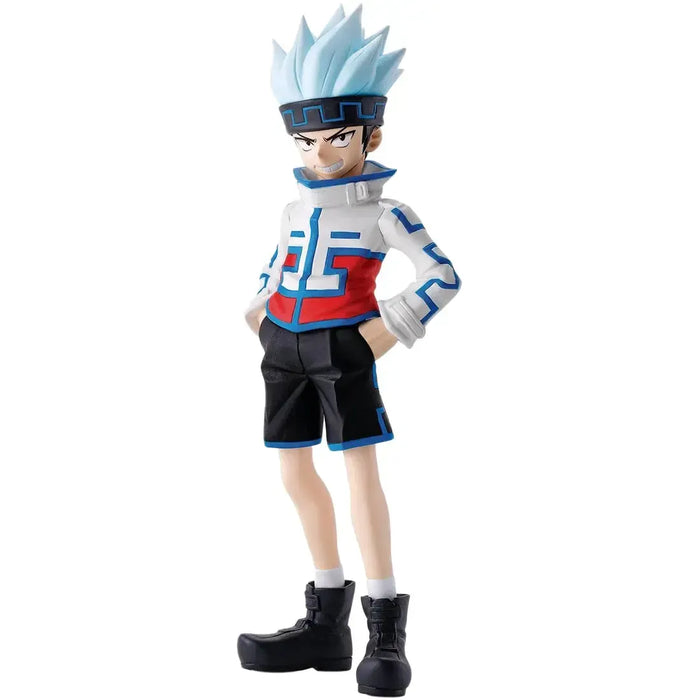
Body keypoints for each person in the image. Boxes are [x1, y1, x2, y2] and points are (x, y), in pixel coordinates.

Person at [237, 6, 460, 697]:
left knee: (360, 474)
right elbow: (278, 263)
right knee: (293, 472)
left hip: (345, 347)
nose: (320, 155)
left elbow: (443, 275)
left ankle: (384, 631)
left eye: (336, 138)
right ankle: (325, 624)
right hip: (284, 346)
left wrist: (389, 327)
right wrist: (259, 312)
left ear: (371, 134)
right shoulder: (295, 207)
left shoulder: (387, 213)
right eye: (306, 141)